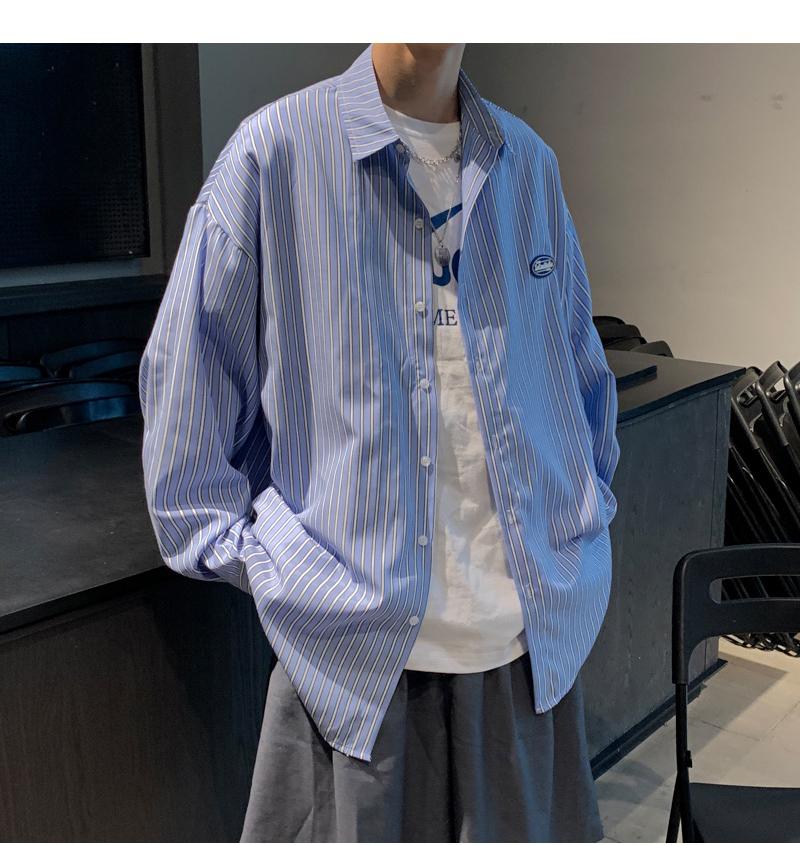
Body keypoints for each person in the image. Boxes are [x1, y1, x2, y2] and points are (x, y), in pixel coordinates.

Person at [138, 42, 620, 843]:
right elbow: (185, 426)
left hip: (524, 660)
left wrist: (576, 535)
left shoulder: (528, 166)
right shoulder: (274, 155)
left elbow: (580, 384)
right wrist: (286, 572)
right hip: (352, 673)